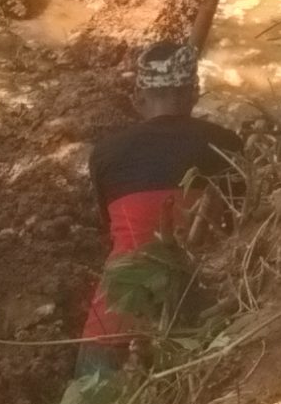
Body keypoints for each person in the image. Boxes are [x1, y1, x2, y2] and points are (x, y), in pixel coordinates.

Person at [76, 42, 243, 377]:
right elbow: (235, 227)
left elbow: (110, 227)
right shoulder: (226, 146)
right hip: (189, 319)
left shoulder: (105, 154)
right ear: (194, 94)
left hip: (113, 319)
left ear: (138, 99)